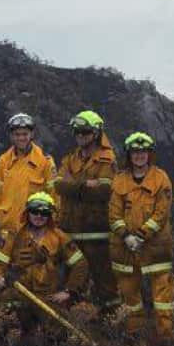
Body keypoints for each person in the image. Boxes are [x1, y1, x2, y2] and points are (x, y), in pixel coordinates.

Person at [108, 132, 174, 346]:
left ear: (149, 154)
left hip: (156, 248)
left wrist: (141, 235)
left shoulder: (161, 178)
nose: (139, 156)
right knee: (129, 293)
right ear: (129, 155)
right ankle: (134, 335)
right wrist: (126, 236)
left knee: (162, 296)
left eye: (143, 152)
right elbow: (114, 214)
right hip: (125, 248)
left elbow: (161, 213)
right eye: (135, 152)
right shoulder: (119, 180)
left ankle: (165, 337)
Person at [0, 192, 88, 334]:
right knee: (9, 326)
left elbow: (80, 264)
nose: (39, 216)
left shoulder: (59, 237)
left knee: (57, 333)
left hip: (47, 297)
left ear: (49, 216)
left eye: (44, 213)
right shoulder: (13, 235)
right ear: (27, 212)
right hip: (19, 293)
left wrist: (69, 291)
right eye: (35, 212)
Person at [56, 110, 119, 307]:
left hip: (96, 232)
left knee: (105, 283)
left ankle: (111, 324)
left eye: (85, 132)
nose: (80, 136)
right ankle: (73, 324)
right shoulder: (70, 158)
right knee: (71, 282)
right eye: (77, 132)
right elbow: (58, 185)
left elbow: (103, 191)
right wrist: (85, 185)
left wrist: (73, 185)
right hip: (71, 231)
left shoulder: (107, 159)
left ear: (96, 133)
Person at [0, 113, 57, 243]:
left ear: (31, 135)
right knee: (2, 263)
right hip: (7, 228)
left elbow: (54, 195)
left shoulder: (45, 161)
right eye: (17, 134)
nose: (21, 138)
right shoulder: (3, 161)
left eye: (25, 134)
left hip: (35, 228)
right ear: (11, 136)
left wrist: (53, 223)